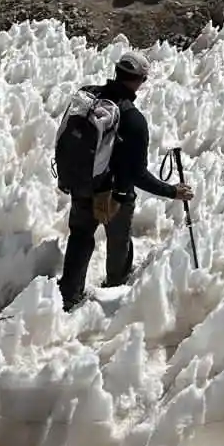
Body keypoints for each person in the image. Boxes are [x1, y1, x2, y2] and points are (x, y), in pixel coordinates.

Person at [58, 50, 191, 311]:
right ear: (139, 80)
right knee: (118, 240)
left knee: (81, 236)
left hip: (82, 182)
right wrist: (172, 191)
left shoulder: (87, 95)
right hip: (115, 194)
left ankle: (69, 294)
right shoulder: (133, 119)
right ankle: (115, 287)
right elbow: (137, 173)